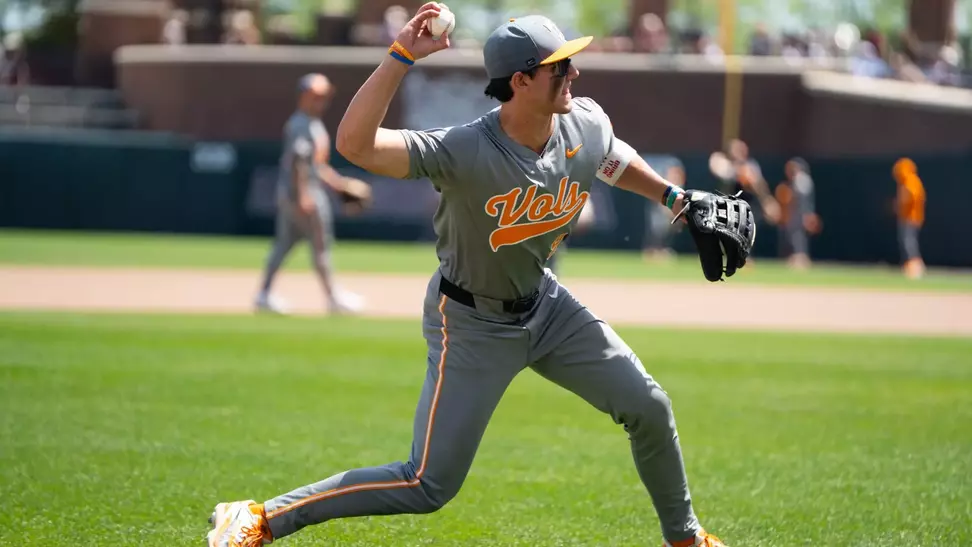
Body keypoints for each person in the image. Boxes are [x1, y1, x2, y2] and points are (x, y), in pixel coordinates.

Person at [211, 7, 726, 547]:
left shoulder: (585, 120)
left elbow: (609, 156)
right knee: (426, 482)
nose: (573, 73)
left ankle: (686, 538)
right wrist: (400, 57)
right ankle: (261, 518)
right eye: (559, 67)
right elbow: (355, 147)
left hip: (547, 307)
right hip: (471, 321)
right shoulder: (462, 149)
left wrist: (676, 199)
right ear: (521, 81)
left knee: (649, 405)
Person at [254, 73, 366, 315]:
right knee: (321, 247)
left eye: (325, 96)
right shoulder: (301, 124)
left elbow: (315, 165)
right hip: (304, 195)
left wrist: (339, 184)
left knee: (284, 245)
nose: (322, 101)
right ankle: (333, 299)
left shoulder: (309, 123)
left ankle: (263, 295)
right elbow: (299, 162)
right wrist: (305, 195)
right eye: (317, 96)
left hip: (293, 194)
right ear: (304, 96)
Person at [774, 158, 821, 269]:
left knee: (799, 235)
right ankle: (797, 257)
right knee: (794, 235)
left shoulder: (802, 179)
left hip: (802, 212)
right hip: (794, 212)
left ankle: (801, 258)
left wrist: (808, 214)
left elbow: (804, 200)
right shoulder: (795, 180)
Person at [893, 157, 926, 279]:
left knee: (909, 242)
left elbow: (911, 198)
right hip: (906, 218)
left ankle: (915, 267)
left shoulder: (911, 181)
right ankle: (909, 265)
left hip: (911, 218)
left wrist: (901, 203)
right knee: (906, 241)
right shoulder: (905, 182)